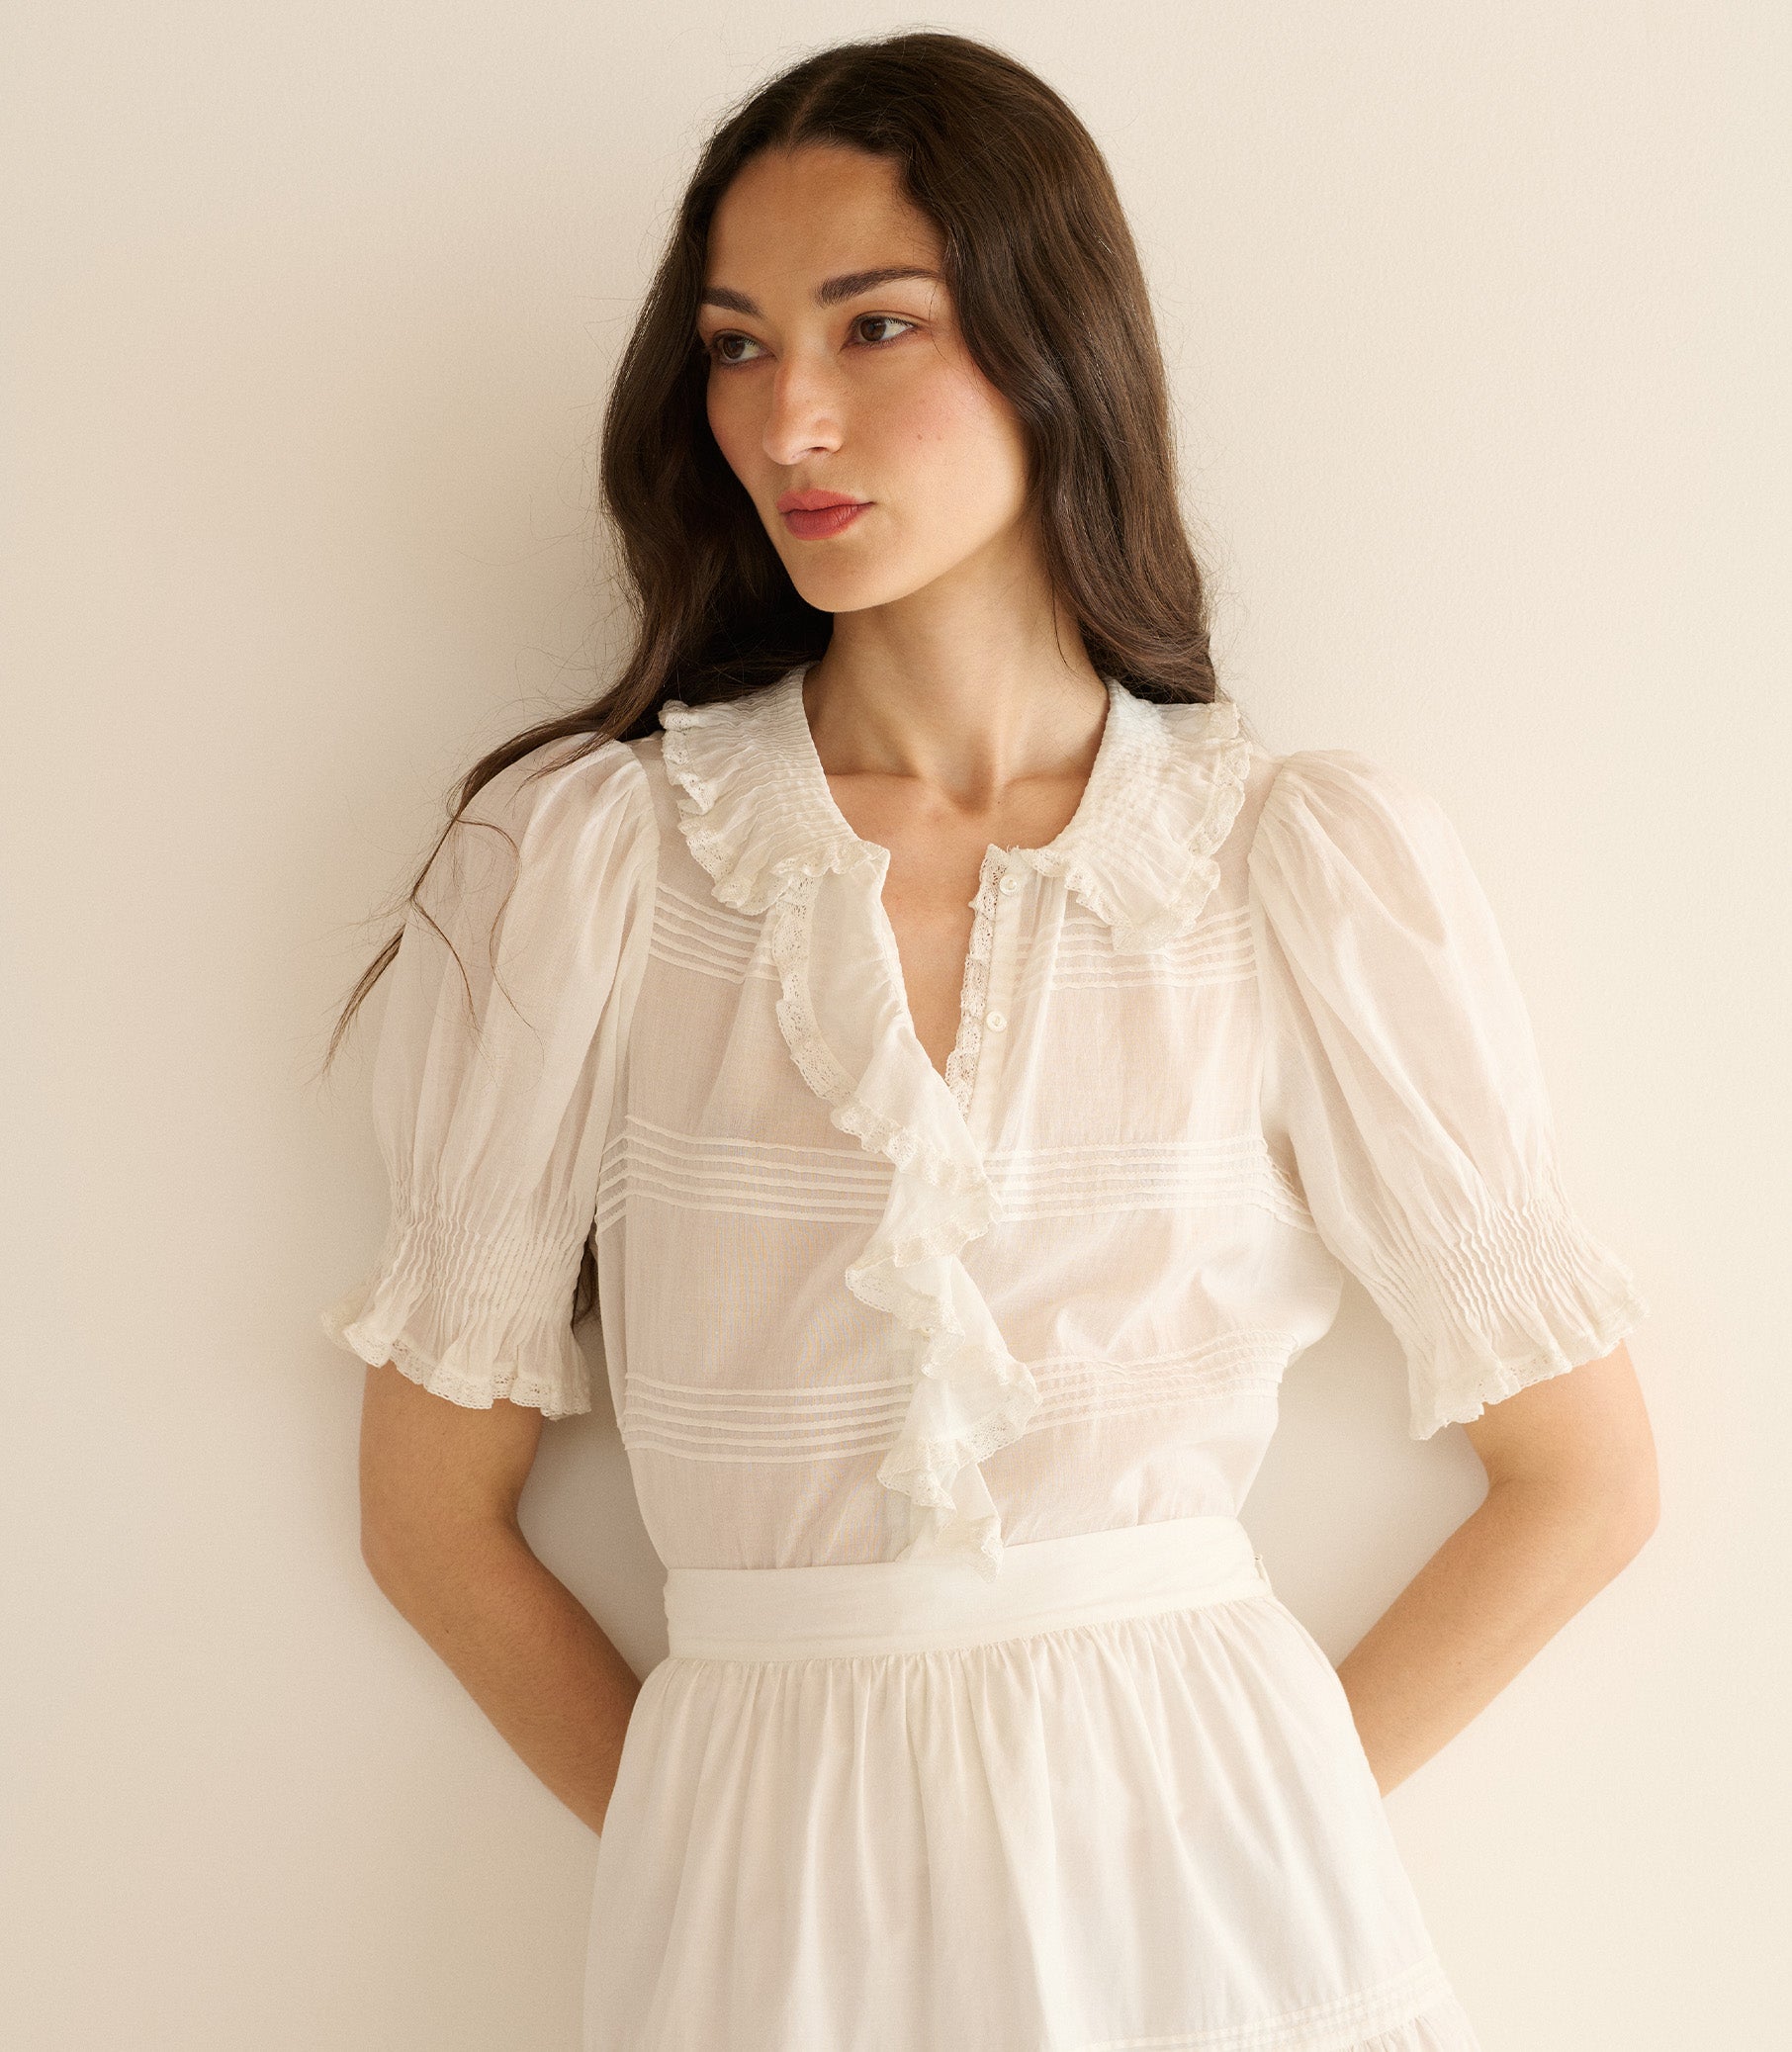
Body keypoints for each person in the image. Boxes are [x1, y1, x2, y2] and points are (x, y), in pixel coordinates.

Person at [317, 30, 1658, 2052]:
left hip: (1225, 1901)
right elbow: (428, 1516)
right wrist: (724, 1848)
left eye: (876, 326)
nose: (794, 415)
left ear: (1052, 345)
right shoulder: (600, 866)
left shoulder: (1290, 868)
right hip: (757, 1925)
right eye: (740, 345)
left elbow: (1587, 1477)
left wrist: (1234, 1828)